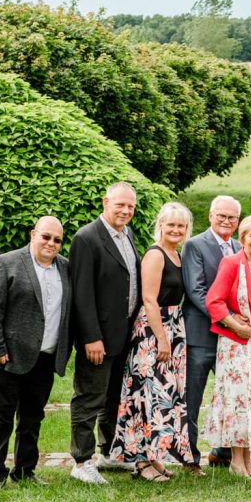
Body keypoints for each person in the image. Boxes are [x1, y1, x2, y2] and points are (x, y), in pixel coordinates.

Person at [0, 216, 72, 488]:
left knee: (32, 419)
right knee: (1, 418)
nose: (51, 243)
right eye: (46, 236)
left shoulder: (65, 268)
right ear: (33, 235)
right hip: (8, 357)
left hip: (44, 358)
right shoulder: (6, 262)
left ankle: (25, 470)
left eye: (57, 239)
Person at [109, 202, 194, 482]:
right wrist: (161, 339)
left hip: (172, 326)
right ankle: (141, 462)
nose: (176, 230)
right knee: (146, 394)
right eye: (171, 224)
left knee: (163, 397)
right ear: (161, 224)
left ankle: (155, 457)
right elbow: (148, 299)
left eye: (181, 226)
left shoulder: (177, 254)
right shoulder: (155, 255)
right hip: (153, 331)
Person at [68, 182, 141, 485]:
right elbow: (81, 293)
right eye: (120, 205)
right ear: (105, 202)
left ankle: (109, 452)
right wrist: (90, 336)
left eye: (130, 207)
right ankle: (81, 461)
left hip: (123, 334)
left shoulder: (128, 235)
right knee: (89, 398)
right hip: (98, 337)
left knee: (114, 397)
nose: (125, 211)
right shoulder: (87, 238)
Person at [203, 213, 251, 478]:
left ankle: (249, 460)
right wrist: (235, 325)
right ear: (242, 238)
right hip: (237, 343)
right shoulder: (232, 263)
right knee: (238, 399)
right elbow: (214, 300)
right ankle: (236, 461)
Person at [182, 195, 242, 474]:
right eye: (221, 216)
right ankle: (191, 457)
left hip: (231, 341)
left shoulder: (240, 247)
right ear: (210, 216)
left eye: (232, 217)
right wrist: (229, 321)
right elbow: (196, 292)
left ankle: (223, 452)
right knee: (192, 399)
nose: (226, 221)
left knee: (231, 397)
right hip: (200, 336)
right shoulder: (195, 245)